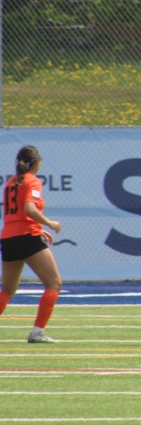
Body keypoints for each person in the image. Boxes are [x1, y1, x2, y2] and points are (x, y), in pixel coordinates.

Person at [0, 146, 63, 343]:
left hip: (9, 238)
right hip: (27, 237)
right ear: (36, 163)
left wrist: (37, 226)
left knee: (7, 290)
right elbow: (28, 208)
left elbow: (17, 215)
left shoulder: (11, 183)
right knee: (54, 283)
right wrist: (50, 224)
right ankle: (37, 332)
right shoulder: (32, 181)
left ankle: (37, 332)